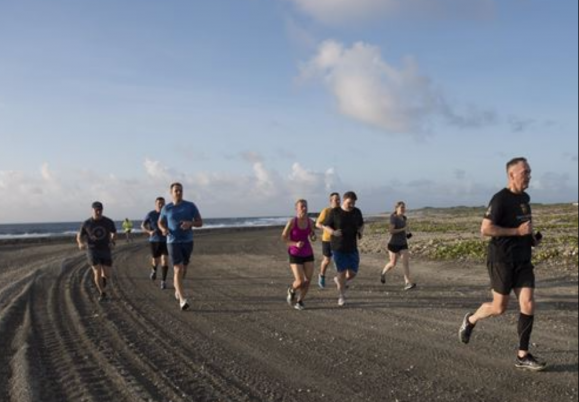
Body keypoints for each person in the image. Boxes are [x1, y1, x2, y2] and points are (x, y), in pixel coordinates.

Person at [459, 157, 547, 371]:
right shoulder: (499, 199)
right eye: (525, 172)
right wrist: (517, 232)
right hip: (502, 259)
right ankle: (471, 319)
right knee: (499, 308)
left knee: (528, 303)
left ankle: (522, 355)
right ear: (511, 175)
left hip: (523, 260)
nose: (529, 175)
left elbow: (526, 224)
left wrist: (531, 239)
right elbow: (486, 229)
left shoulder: (526, 197)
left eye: (529, 171)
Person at [158, 183, 203, 311]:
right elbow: (160, 222)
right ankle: (183, 300)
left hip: (188, 241)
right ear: (171, 192)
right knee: (178, 268)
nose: (179, 193)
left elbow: (200, 222)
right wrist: (163, 229)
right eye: (176, 191)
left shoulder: (190, 206)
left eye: (181, 191)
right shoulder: (166, 208)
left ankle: (178, 288)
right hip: (172, 241)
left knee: (184, 269)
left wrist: (191, 223)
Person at [322, 191, 365, 307]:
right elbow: (325, 225)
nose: (352, 205)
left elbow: (362, 224)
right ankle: (341, 295)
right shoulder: (334, 212)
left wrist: (361, 231)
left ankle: (339, 280)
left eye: (354, 203)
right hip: (338, 247)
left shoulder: (357, 212)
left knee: (352, 273)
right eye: (350, 202)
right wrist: (333, 232)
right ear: (344, 200)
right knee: (341, 272)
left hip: (352, 247)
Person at [77, 201, 117, 302]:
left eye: (100, 210)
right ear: (92, 210)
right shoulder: (87, 223)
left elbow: (114, 233)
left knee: (107, 274)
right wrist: (80, 243)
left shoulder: (108, 221)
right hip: (92, 250)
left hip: (105, 250)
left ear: (102, 210)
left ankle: (102, 284)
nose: (98, 212)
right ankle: (102, 293)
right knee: (97, 272)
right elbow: (79, 236)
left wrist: (113, 242)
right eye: (96, 210)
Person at [283, 199, 317, 311]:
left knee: (308, 280)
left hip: (308, 252)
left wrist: (313, 236)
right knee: (300, 281)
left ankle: (299, 301)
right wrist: (295, 244)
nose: (304, 208)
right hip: (295, 253)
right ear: (296, 209)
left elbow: (312, 235)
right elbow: (284, 238)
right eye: (302, 206)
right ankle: (291, 290)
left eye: (306, 206)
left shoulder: (311, 222)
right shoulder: (292, 222)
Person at [380, 201, 416, 291]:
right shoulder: (393, 218)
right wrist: (403, 229)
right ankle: (383, 273)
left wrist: (408, 233)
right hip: (393, 244)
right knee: (392, 263)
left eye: (404, 207)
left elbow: (405, 229)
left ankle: (407, 282)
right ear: (396, 208)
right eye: (401, 207)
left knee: (406, 263)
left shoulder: (404, 218)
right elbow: (391, 231)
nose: (403, 209)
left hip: (403, 243)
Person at [141, 197, 170, 289]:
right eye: (159, 203)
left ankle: (163, 281)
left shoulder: (168, 214)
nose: (161, 205)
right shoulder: (151, 214)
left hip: (166, 240)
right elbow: (142, 225)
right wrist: (149, 232)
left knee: (165, 260)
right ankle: (154, 270)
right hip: (154, 240)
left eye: (163, 203)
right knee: (155, 260)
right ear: (156, 204)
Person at [315, 193, 341, 289]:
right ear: (331, 201)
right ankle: (321, 275)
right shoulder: (326, 211)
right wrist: (327, 229)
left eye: (339, 199)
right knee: (327, 260)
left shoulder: (341, 211)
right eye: (336, 200)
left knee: (339, 260)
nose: (338, 201)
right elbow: (317, 224)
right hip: (327, 239)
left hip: (338, 240)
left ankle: (340, 280)